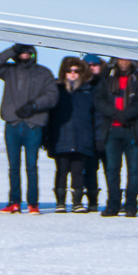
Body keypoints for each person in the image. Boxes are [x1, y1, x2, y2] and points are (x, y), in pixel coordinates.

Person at [0, 43, 57, 214]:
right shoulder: (9, 71)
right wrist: (13, 49)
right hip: (12, 123)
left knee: (31, 166)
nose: (25, 54)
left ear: (33, 53)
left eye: (28, 51)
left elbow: (52, 96)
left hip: (33, 124)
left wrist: (33, 106)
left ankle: (33, 203)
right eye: (22, 51)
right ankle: (14, 202)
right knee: (13, 166)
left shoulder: (43, 73)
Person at [93, 56, 138, 217]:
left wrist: (127, 114)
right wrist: (115, 114)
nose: (124, 63)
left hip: (132, 129)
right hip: (112, 129)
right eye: (121, 59)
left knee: (133, 170)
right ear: (116, 60)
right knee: (112, 169)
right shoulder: (107, 76)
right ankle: (113, 204)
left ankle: (131, 204)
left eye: (128, 59)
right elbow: (99, 100)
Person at [48, 56, 99, 211]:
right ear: (64, 72)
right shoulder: (57, 90)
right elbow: (50, 116)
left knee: (78, 171)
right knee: (62, 170)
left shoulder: (88, 91)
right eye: (69, 71)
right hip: (61, 137)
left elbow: (94, 115)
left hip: (82, 138)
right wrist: (48, 137)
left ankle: (77, 202)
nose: (73, 74)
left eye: (76, 71)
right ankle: (60, 202)